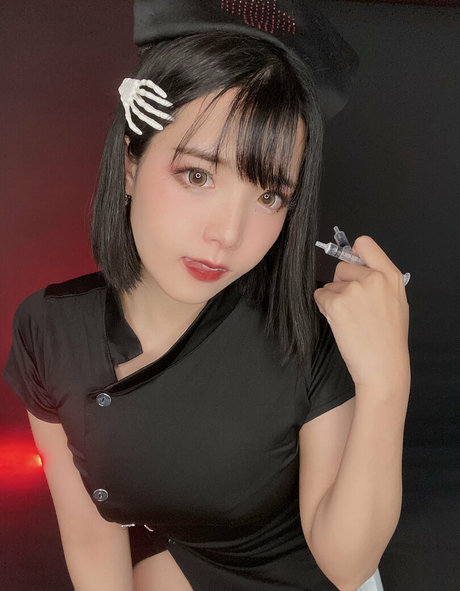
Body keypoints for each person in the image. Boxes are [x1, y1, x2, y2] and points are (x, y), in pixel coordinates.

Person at [3, 1, 410, 590]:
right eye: (197, 175)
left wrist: (387, 380)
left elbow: (346, 565)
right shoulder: (49, 332)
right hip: (200, 563)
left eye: (269, 196)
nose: (228, 234)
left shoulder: (309, 332)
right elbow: (91, 536)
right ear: (131, 163)